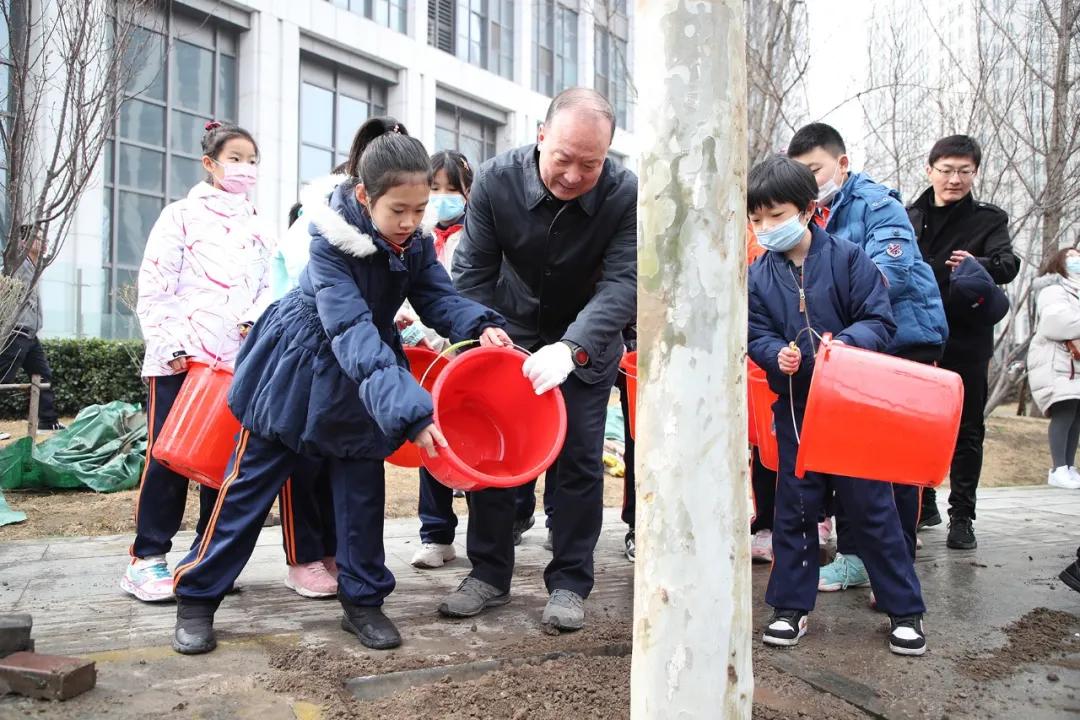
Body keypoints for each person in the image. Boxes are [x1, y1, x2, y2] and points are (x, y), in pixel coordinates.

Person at [168, 117, 509, 656]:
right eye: (398, 210)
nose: (411, 222)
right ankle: (197, 597)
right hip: (297, 368)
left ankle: (364, 603)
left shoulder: (414, 242)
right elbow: (349, 329)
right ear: (362, 194)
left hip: (364, 377)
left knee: (360, 492)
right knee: (247, 491)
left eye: (420, 210)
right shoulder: (327, 241)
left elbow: (436, 297)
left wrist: (479, 324)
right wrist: (411, 412)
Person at [442, 87, 637, 633]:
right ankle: (487, 574)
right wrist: (485, 331)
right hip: (510, 334)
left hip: (588, 343)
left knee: (577, 461)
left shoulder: (625, 194)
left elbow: (624, 283)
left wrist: (573, 347)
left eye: (590, 164)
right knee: (498, 457)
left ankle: (571, 583)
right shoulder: (496, 180)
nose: (574, 175)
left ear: (608, 156)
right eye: (563, 158)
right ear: (541, 136)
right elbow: (474, 273)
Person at [747, 154, 927, 656]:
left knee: (872, 511)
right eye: (757, 219)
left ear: (808, 210)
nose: (765, 228)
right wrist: (772, 354)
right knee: (794, 511)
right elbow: (755, 333)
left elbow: (881, 320)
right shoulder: (758, 275)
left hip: (853, 412)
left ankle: (905, 611)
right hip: (796, 410)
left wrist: (845, 343)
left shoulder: (849, 258)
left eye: (776, 216)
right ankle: (789, 608)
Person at [787, 123, 948, 593]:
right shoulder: (812, 215)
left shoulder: (878, 205)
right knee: (851, 458)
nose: (807, 181)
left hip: (901, 343)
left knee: (896, 465)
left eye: (814, 170)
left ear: (841, 163)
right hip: (852, 346)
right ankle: (857, 558)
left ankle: (894, 569)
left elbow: (888, 273)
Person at [124, 121, 272, 603]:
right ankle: (147, 559)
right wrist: (168, 343)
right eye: (235, 158)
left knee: (221, 464)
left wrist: (255, 321)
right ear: (209, 163)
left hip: (236, 362)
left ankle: (205, 559)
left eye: (251, 160)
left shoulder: (257, 224)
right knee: (168, 456)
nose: (244, 169)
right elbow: (156, 282)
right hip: (182, 358)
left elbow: (270, 284)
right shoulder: (179, 217)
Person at [908, 134, 1020, 549]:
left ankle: (962, 517)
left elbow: (1008, 264)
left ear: (974, 173)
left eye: (964, 171)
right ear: (930, 169)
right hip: (917, 336)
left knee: (967, 429)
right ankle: (921, 503)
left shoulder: (989, 220)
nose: (954, 179)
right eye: (946, 169)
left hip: (967, 339)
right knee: (916, 424)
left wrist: (981, 264)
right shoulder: (908, 215)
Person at [408, 149, 476, 570]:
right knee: (428, 435)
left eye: (453, 189)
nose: (443, 197)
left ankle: (490, 534)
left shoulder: (477, 236)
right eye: (435, 189)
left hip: (468, 353)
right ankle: (435, 533)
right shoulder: (417, 238)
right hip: (427, 354)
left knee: (473, 438)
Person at [0, 224, 64, 431]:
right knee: (3, 378)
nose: (44, 242)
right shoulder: (17, 265)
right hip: (16, 331)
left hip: (30, 334)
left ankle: (47, 422)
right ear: (23, 242)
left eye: (44, 238)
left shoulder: (34, 266)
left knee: (42, 374)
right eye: (38, 238)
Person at [1028, 247, 1080, 489]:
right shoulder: (1053, 289)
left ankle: (1069, 467)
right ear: (1059, 263)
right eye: (1070, 257)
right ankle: (1058, 468)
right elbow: (1056, 324)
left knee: (1076, 415)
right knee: (1064, 411)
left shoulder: (1075, 291)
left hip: (1073, 364)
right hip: (1056, 362)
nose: (1076, 261)